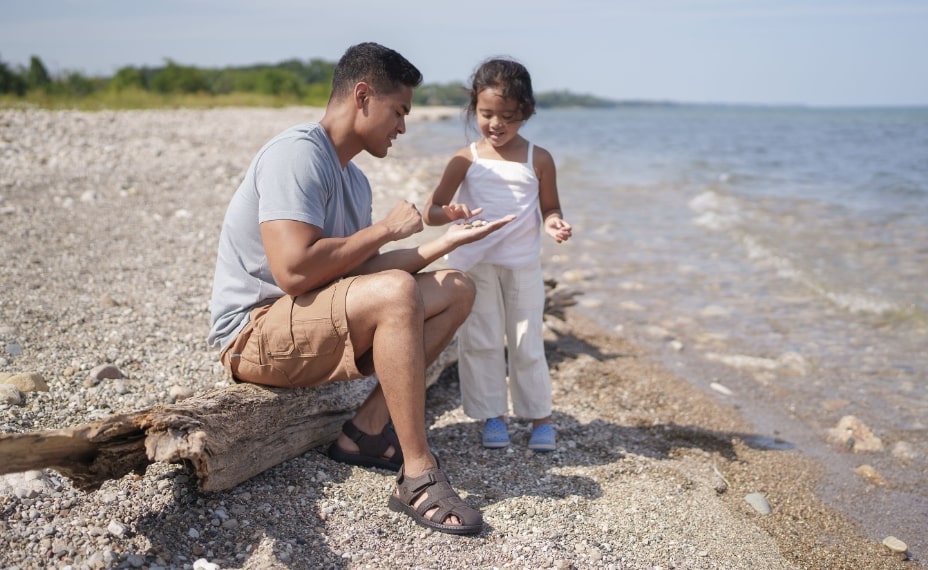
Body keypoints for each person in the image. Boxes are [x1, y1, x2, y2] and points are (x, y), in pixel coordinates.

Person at [207, 42, 514, 536]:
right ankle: (417, 473)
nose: (402, 127)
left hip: (307, 318)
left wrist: (443, 243)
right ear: (364, 95)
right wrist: (388, 229)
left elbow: (360, 270)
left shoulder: (355, 182)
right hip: (254, 334)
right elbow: (294, 271)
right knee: (395, 291)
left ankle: (367, 432)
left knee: (457, 287)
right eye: (399, 111)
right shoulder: (297, 154)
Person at [424, 57, 572, 453]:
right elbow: (432, 210)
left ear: (527, 111)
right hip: (475, 264)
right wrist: (450, 213)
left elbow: (550, 208)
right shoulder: (465, 158)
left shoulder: (538, 159)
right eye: (487, 113)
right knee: (482, 340)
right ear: (474, 108)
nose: (496, 124)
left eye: (508, 116)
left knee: (527, 341)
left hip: (522, 265)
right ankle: (493, 416)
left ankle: (540, 418)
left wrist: (554, 224)